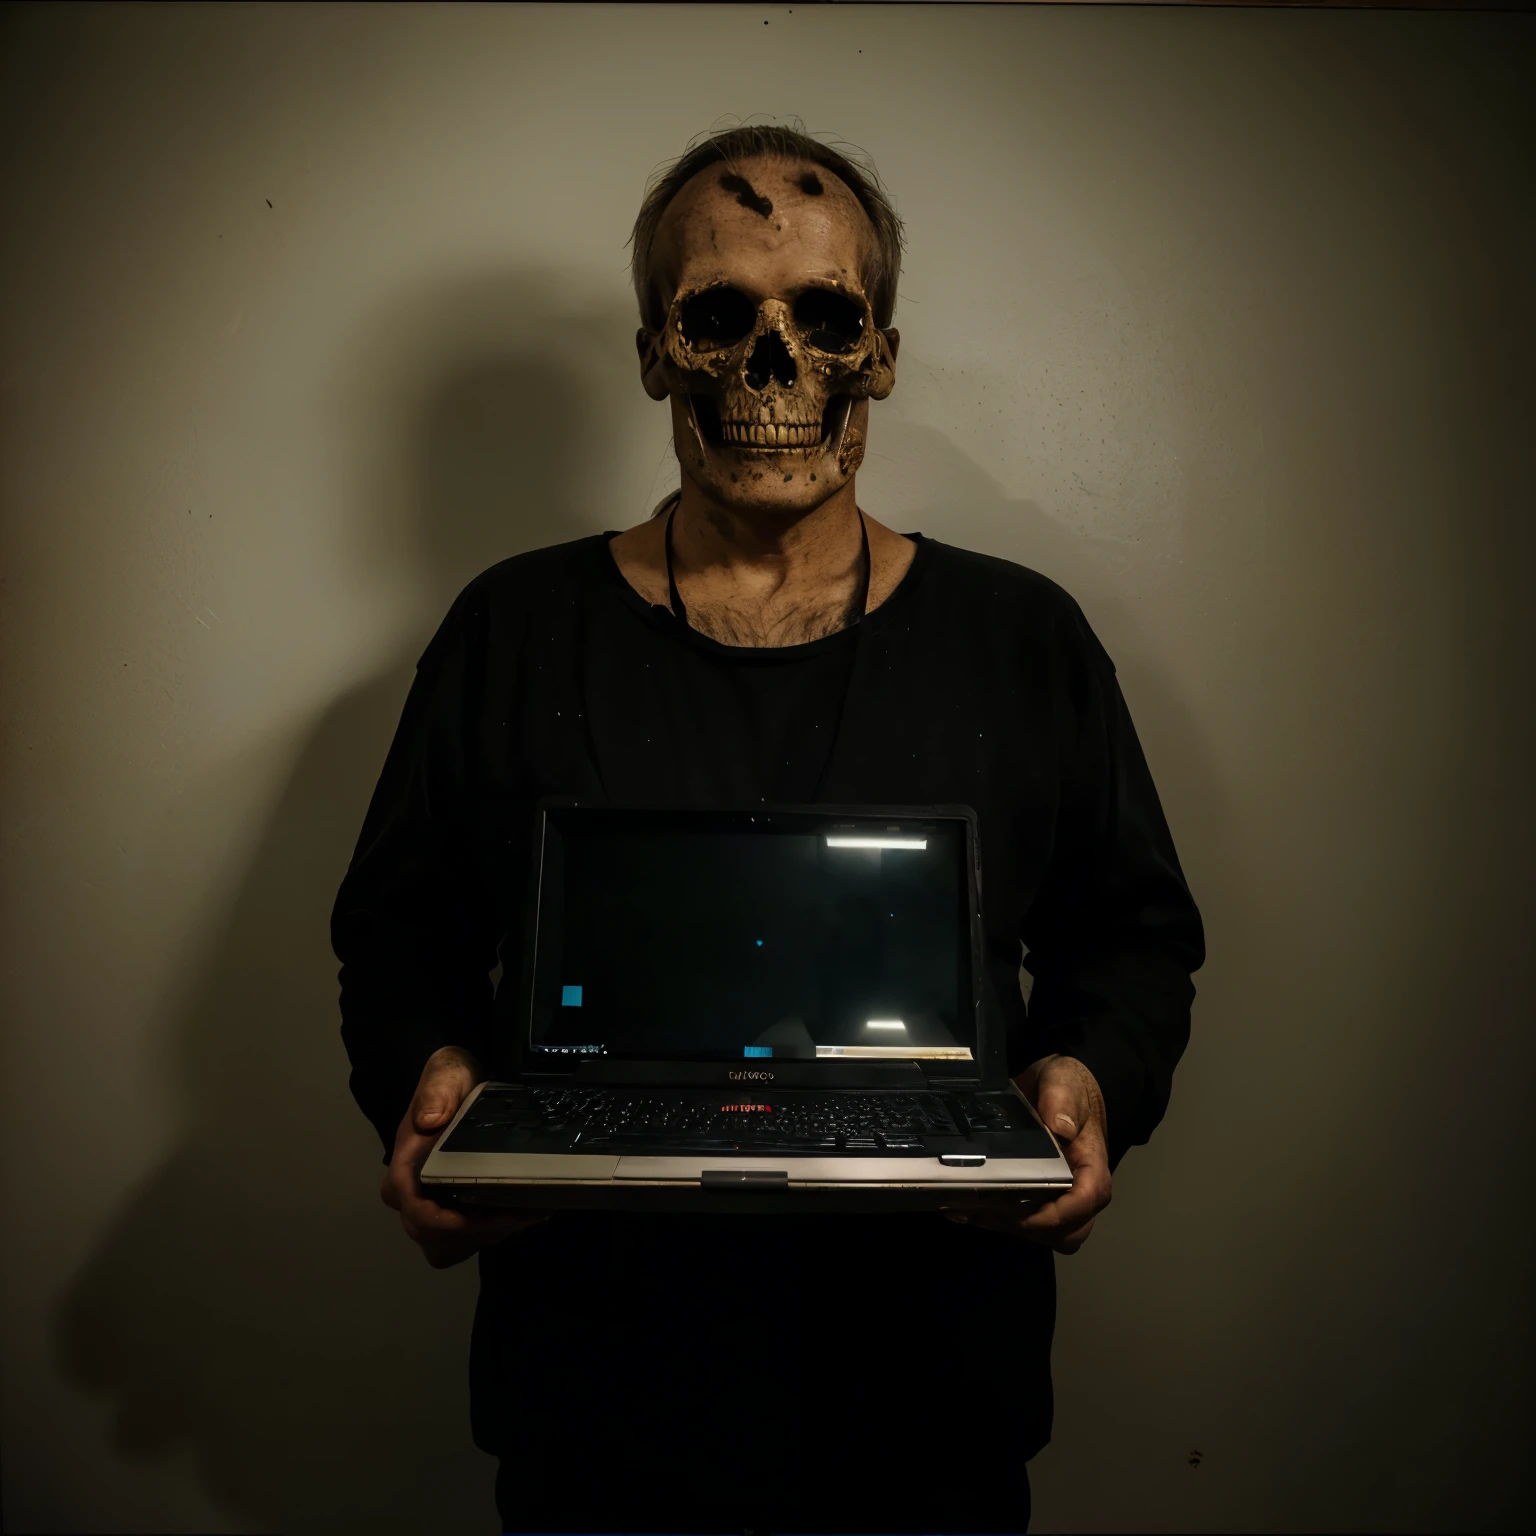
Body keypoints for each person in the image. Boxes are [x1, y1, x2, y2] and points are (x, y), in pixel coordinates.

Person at [332, 124, 1205, 1536]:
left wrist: (1091, 1079)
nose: (775, 367)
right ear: (654, 353)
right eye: (722, 320)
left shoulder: (1020, 637)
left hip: (929, 1394)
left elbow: (1136, 935)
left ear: (886, 352)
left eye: (826, 321)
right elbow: (396, 931)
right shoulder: (512, 629)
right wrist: (427, 1078)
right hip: (596, 1398)